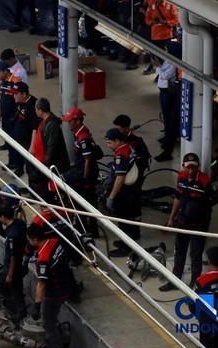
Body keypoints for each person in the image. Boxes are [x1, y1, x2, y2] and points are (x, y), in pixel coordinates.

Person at [159, 153, 218, 291]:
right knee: (179, 253)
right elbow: (178, 197)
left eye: (194, 167)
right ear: (183, 166)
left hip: (199, 226)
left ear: (198, 167)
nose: (191, 170)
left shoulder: (205, 182)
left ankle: (194, 286)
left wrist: (201, 207)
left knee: (195, 256)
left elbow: (217, 199)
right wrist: (171, 218)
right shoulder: (181, 177)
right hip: (182, 223)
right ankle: (174, 282)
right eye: (188, 167)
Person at [27, 222, 74, 348]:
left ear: (35, 240)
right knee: (50, 319)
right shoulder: (55, 241)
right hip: (66, 283)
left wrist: (36, 305)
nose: (29, 243)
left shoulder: (43, 259)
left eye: (30, 240)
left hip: (55, 292)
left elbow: (41, 284)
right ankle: (49, 344)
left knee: (48, 323)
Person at [61, 107, 100, 236]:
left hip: (87, 173)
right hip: (82, 170)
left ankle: (89, 229)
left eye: (70, 121)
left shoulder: (83, 137)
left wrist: (84, 178)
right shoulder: (78, 132)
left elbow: (87, 159)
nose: (68, 123)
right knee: (85, 200)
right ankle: (85, 227)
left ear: (77, 121)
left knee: (86, 200)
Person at [104, 128, 142, 257]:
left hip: (124, 192)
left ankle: (125, 247)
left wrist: (111, 197)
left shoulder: (120, 155)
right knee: (131, 216)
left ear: (117, 141)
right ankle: (132, 237)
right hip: (133, 189)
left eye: (109, 143)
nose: (108, 146)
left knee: (123, 219)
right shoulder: (128, 148)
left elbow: (120, 179)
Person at [0, 205, 27, 323]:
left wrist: (10, 274)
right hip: (21, 263)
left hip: (14, 266)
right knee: (14, 288)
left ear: (4, 217)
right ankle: (17, 310)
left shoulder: (13, 235)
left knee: (11, 288)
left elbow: (13, 256)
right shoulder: (20, 223)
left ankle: (17, 314)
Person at [32, 97, 70, 176]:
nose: (35, 111)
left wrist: (46, 163)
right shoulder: (44, 121)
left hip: (51, 166)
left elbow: (51, 146)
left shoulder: (52, 125)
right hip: (42, 162)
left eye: (36, 109)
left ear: (40, 110)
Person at [152, 55, 179, 162]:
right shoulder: (167, 60)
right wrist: (157, 66)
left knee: (169, 119)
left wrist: (157, 67)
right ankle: (168, 138)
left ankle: (169, 145)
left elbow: (164, 75)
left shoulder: (174, 63)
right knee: (167, 118)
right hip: (164, 90)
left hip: (169, 92)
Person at [8, 82, 37, 175]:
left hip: (27, 139)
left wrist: (32, 146)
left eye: (16, 94)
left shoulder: (33, 106)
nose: (14, 96)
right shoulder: (18, 103)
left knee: (29, 161)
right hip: (18, 135)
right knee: (17, 153)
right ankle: (18, 167)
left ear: (24, 94)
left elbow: (35, 127)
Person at [0, 61, 14, 151]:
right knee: (5, 130)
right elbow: (2, 100)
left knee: (12, 133)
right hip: (5, 113)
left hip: (12, 114)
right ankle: (7, 144)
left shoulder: (14, 82)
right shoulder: (4, 83)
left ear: (5, 71)